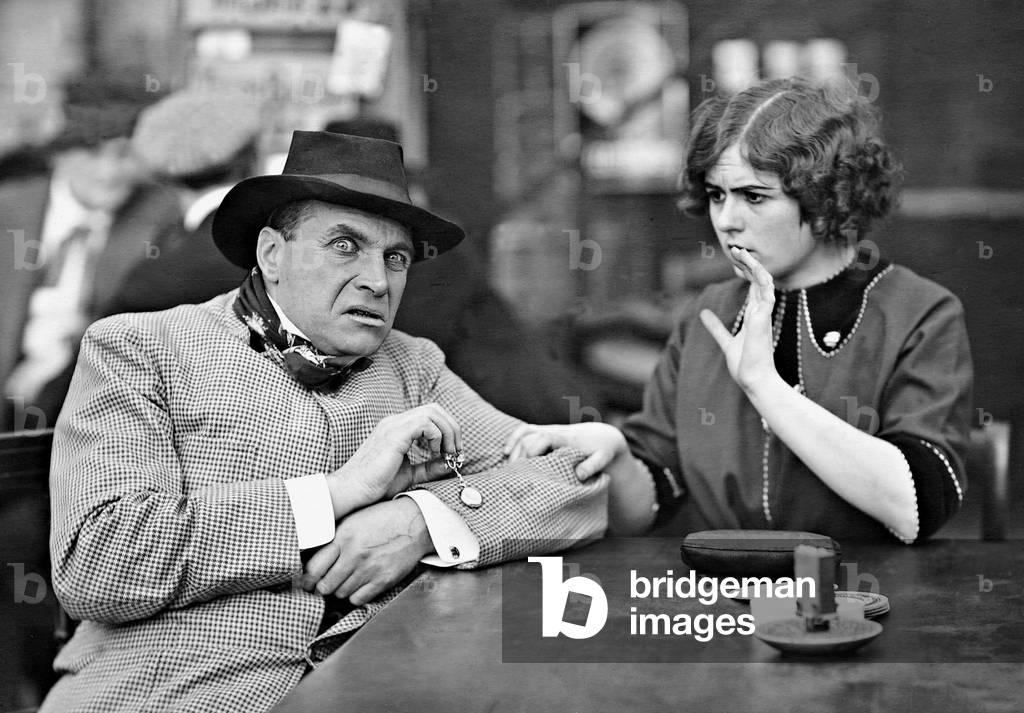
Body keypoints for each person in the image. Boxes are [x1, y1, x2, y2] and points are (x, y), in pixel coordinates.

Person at [42, 131, 607, 712]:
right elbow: (99, 561)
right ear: (271, 254)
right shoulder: (141, 349)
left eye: (396, 258)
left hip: (375, 690)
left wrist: (422, 520)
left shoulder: (413, 364)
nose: (378, 281)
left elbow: (570, 477)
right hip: (173, 694)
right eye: (345, 245)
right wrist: (331, 497)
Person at [506, 77, 972, 543]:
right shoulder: (706, 315)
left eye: (753, 196)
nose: (726, 220)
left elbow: (917, 507)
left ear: (827, 198)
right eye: (716, 195)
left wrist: (765, 386)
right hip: (719, 604)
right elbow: (644, 512)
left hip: (865, 600)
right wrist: (618, 457)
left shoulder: (920, 314)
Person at [0, 76, 180, 432]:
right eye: (92, 152)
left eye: (125, 154)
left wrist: (60, 366)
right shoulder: (9, 208)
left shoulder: (162, 217)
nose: (108, 172)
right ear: (60, 153)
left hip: (84, 407)